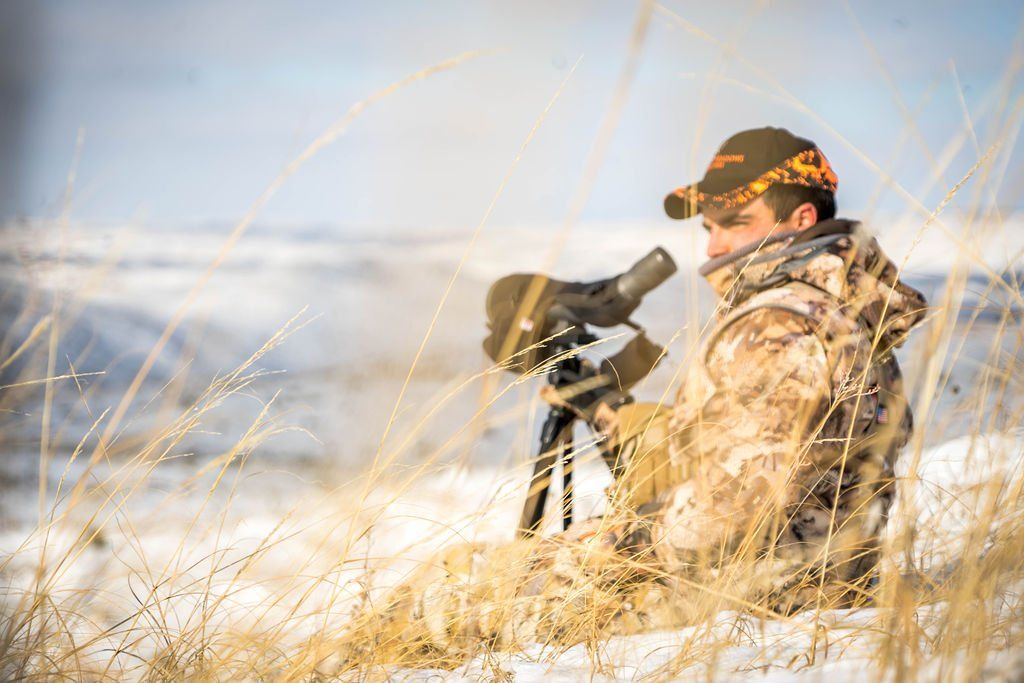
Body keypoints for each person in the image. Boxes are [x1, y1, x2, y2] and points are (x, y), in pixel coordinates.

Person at [343, 127, 928, 665]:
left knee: (446, 589)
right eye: (710, 228)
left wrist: (613, 540)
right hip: (814, 576)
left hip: (743, 591)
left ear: (800, 219)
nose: (714, 247)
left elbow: (731, 514)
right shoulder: (846, 314)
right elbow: (775, 455)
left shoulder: (777, 324)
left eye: (736, 223)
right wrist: (612, 413)